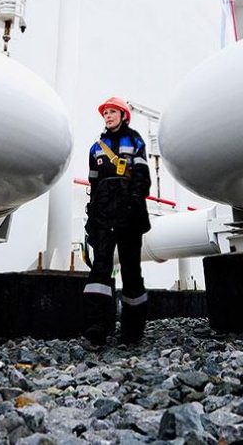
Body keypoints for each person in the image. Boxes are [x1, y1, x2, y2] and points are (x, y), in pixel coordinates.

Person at [83, 96, 151, 345]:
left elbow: (142, 177)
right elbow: (94, 184)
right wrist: (92, 217)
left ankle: (132, 332)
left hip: (129, 215)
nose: (108, 116)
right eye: (106, 113)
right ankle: (98, 326)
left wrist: (133, 204)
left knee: (131, 270)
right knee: (100, 268)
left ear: (124, 116)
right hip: (103, 216)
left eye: (113, 112)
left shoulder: (134, 141)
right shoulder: (96, 148)